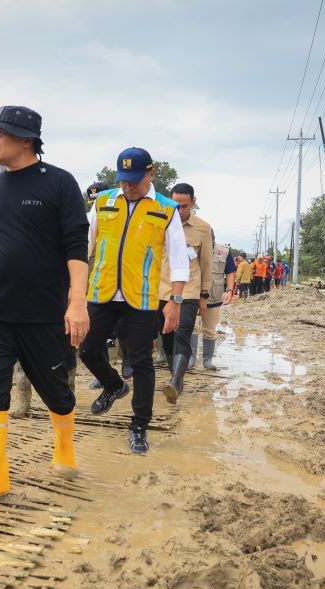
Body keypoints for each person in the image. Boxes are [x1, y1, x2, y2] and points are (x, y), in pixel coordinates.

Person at [0, 105, 90, 511]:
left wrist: (77, 303)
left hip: (43, 314)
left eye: (1, 133)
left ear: (28, 140)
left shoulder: (60, 183)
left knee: (56, 392)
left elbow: (76, 247)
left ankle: (64, 445)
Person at [80, 147, 187, 455]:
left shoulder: (166, 209)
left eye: (134, 181)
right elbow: (84, 244)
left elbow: (179, 259)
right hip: (101, 291)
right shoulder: (103, 201)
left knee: (141, 362)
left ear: (150, 175)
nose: (128, 187)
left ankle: (139, 425)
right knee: (87, 349)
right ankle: (114, 385)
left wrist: (175, 300)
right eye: (123, 181)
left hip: (140, 296)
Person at [158, 182, 212, 403]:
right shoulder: (158, 222)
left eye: (185, 206)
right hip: (162, 290)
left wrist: (204, 295)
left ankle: (174, 381)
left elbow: (206, 262)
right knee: (167, 338)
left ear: (193, 203)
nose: (179, 211)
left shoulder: (202, 228)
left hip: (189, 291)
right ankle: (177, 380)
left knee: (183, 334)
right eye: (175, 205)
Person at [189, 232, 235, 370]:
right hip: (193, 295)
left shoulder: (224, 252)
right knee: (192, 328)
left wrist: (230, 290)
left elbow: (230, 272)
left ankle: (207, 361)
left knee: (209, 329)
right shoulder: (192, 249)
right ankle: (190, 360)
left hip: (213, 296)